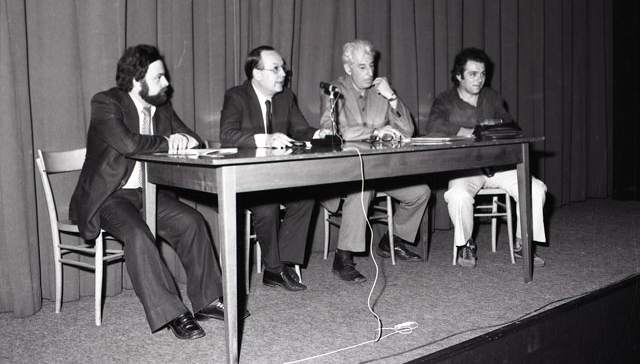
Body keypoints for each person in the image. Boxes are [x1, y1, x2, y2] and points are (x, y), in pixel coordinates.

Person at [69, 44, 247, 341]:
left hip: (149, 194)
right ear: (136, 80)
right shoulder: (106, 102)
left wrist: (183, 140)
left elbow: (194, 139)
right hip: (110, 196)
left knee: (192, 222)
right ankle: (173, 313)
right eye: (159, 77)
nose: (167, 83)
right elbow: (127, 144)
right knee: (138, 234)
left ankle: (208, 300)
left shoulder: (162, 107)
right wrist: (168, 141)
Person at [219, 45, 330, 291]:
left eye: (283, 68)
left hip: (278, 178)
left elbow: (301, 129)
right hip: (246, 180)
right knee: (266, 207)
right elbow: (227, 135)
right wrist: (265, 139)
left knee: (305, 198)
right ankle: (274, 267)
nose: (283, 74)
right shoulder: (236, 96)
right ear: (256, 73)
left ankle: (282, 265)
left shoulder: (286, 97)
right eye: (276, 69)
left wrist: (319, 134)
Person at [319, 39, 431, 283]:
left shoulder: (381, 90)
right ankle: (343, 257)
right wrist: (375, 132)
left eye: (371, 66)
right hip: (345, 174)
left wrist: (392, 97)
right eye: (362, 67)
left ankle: (391, 240)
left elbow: (408, 131)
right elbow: (332, 131)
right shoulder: (334, 90)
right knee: (364, 188)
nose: (370, 72)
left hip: (380, 170)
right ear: (348, 68)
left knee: (420, 192)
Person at [426, 47, 547, 268]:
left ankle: (523, 242)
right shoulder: (445, 100)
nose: (479, 79)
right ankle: (466, 244)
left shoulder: (492, 97)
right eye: (473, 74)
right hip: (466, 168)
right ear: (458, 76)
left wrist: (496, 124)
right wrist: (464, 131)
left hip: (499, 167)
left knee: (536, 189)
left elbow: (510, 124)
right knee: (458, 195)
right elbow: (433, 126)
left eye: (482, 74)